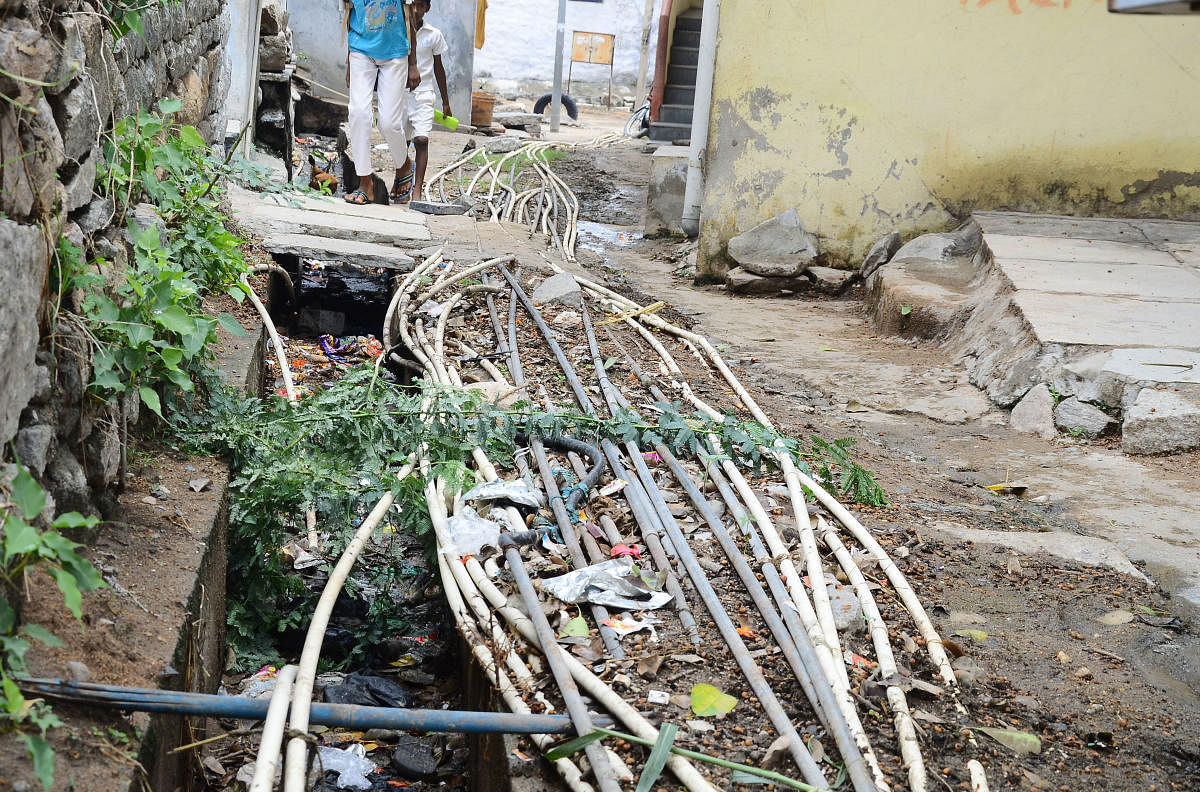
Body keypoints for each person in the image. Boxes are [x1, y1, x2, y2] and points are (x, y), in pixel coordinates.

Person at [343, 0, 421, 205]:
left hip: (395, 53)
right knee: (358, 113)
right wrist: (349, 62)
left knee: (388, 123)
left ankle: (403, 164)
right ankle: (365, 182)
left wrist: (413, 64)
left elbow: (410, 17)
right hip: (360, 50)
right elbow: (350, 17)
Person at [405, 0, 451, 202]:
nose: (416, 10)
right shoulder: (399, 30)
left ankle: (417, 191)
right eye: (413, 5)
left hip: (424, 93)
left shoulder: (434, 35)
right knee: (401, 141)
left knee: (421, 140)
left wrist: (446, 102)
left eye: (421, 6)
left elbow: (438, 69)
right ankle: (402, 181)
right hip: (400, 93)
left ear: (427, 9)